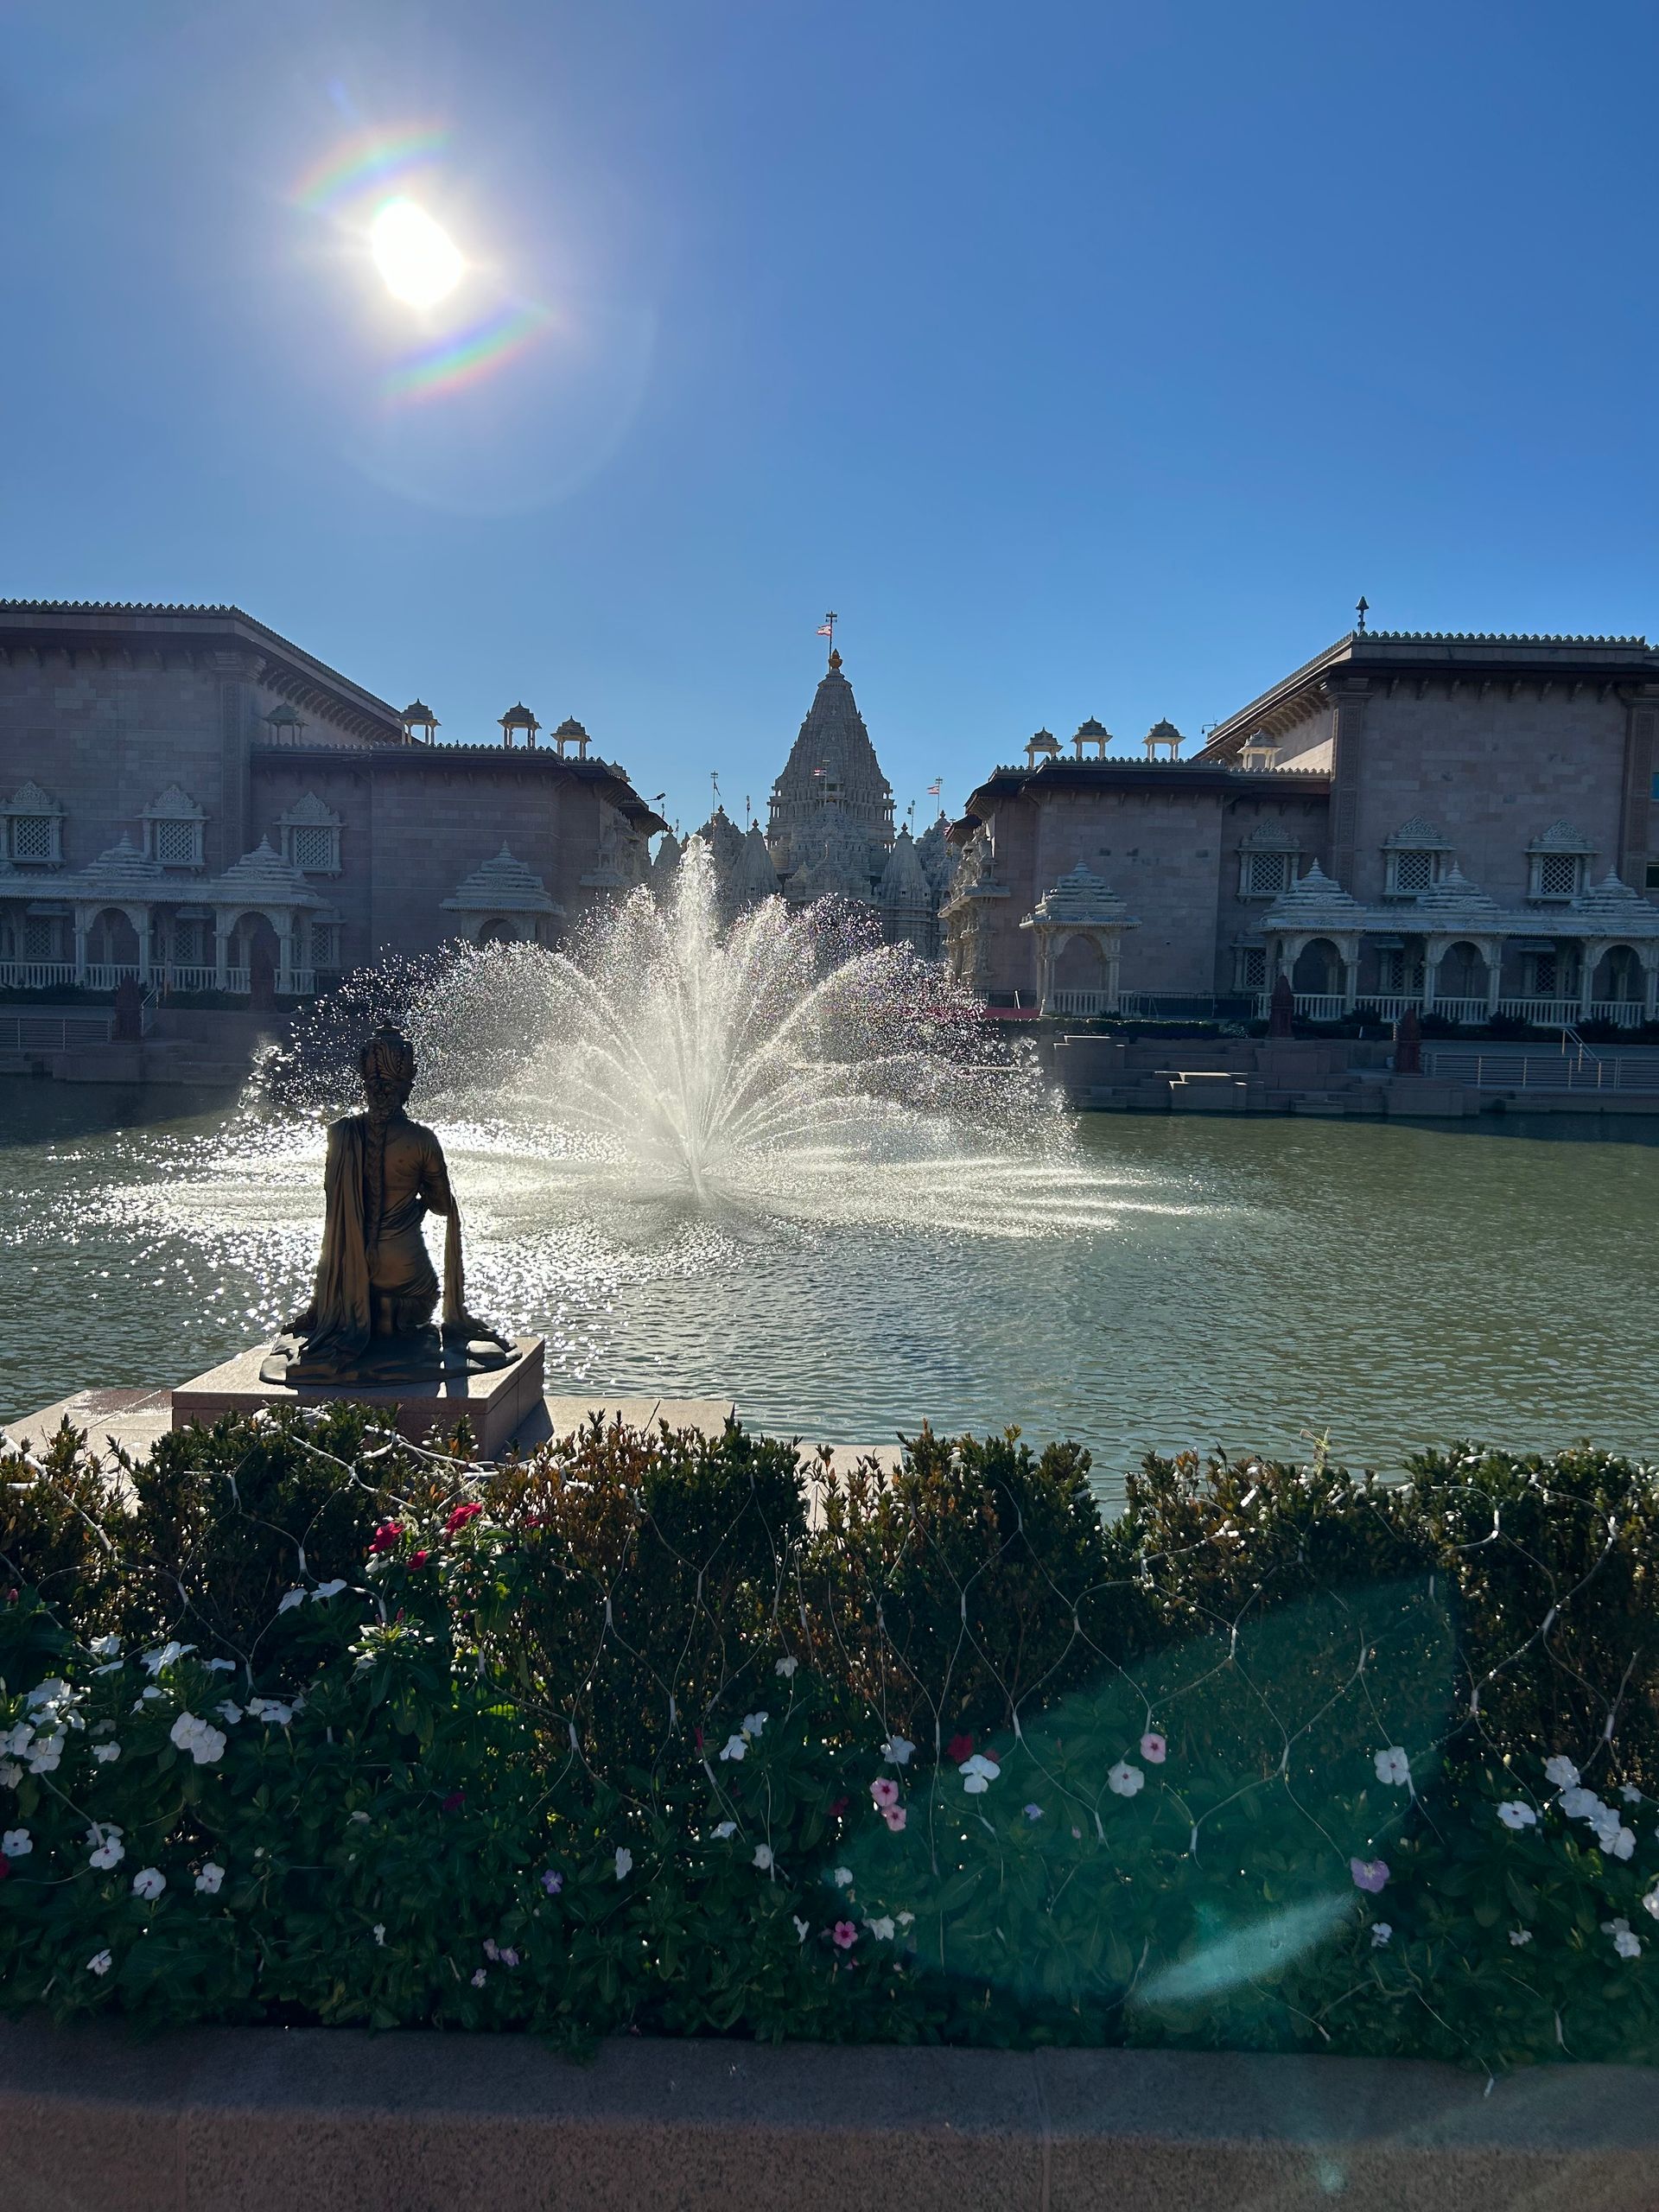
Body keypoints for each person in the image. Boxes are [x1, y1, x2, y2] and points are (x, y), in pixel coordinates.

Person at [273, 1023, 510, 1382]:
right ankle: (389, 1321)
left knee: (380, 1287)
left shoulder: (340, 1135)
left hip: (347, 1266)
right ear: (406, 1085)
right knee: (426, 1293)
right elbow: (443, 1205)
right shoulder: (421, 1139)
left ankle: (367, 1313)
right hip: (404, 1265)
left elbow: (333, 1201)